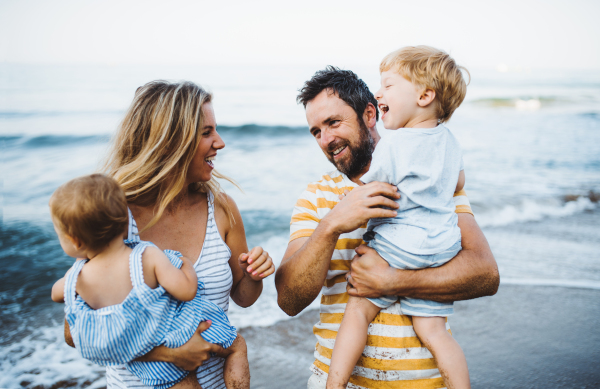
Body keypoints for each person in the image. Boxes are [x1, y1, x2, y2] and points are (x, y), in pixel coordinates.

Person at [275, 66, 499, 389]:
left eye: (333, 123)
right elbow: (288, 300)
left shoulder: (431, 181)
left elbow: (485, 275)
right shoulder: (315, 198)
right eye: (316, 132)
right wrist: (332, 224)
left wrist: (392, 280)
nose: (326, 140)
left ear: (369, 114)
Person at [62, 80, 276, 389]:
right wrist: (166, 353)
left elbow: (243, 298)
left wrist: (254, 275)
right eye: (206, 132)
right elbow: (75, 332)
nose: (220, 142)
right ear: (170, 141)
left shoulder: (223, 209)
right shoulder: (115, 217)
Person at [327, 47, 470, 389]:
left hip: (400, 246)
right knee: (434, 331)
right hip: (441, 249)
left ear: (424, 95)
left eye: (388, 86)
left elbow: (371, 186)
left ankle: (333, 384)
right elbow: (458, 182)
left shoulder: (395, 143)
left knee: (358, 311)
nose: (379, 93)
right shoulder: (450, 141)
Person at [50, 174, 248, 389]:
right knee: (237, 346)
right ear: (126, 220)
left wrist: (72, 276)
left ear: (75, 241)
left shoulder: (77, 278)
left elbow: (57, 295)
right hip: (175, 335)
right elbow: (186, 291)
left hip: (142, 361)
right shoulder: (146, 256)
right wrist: (186, 266)